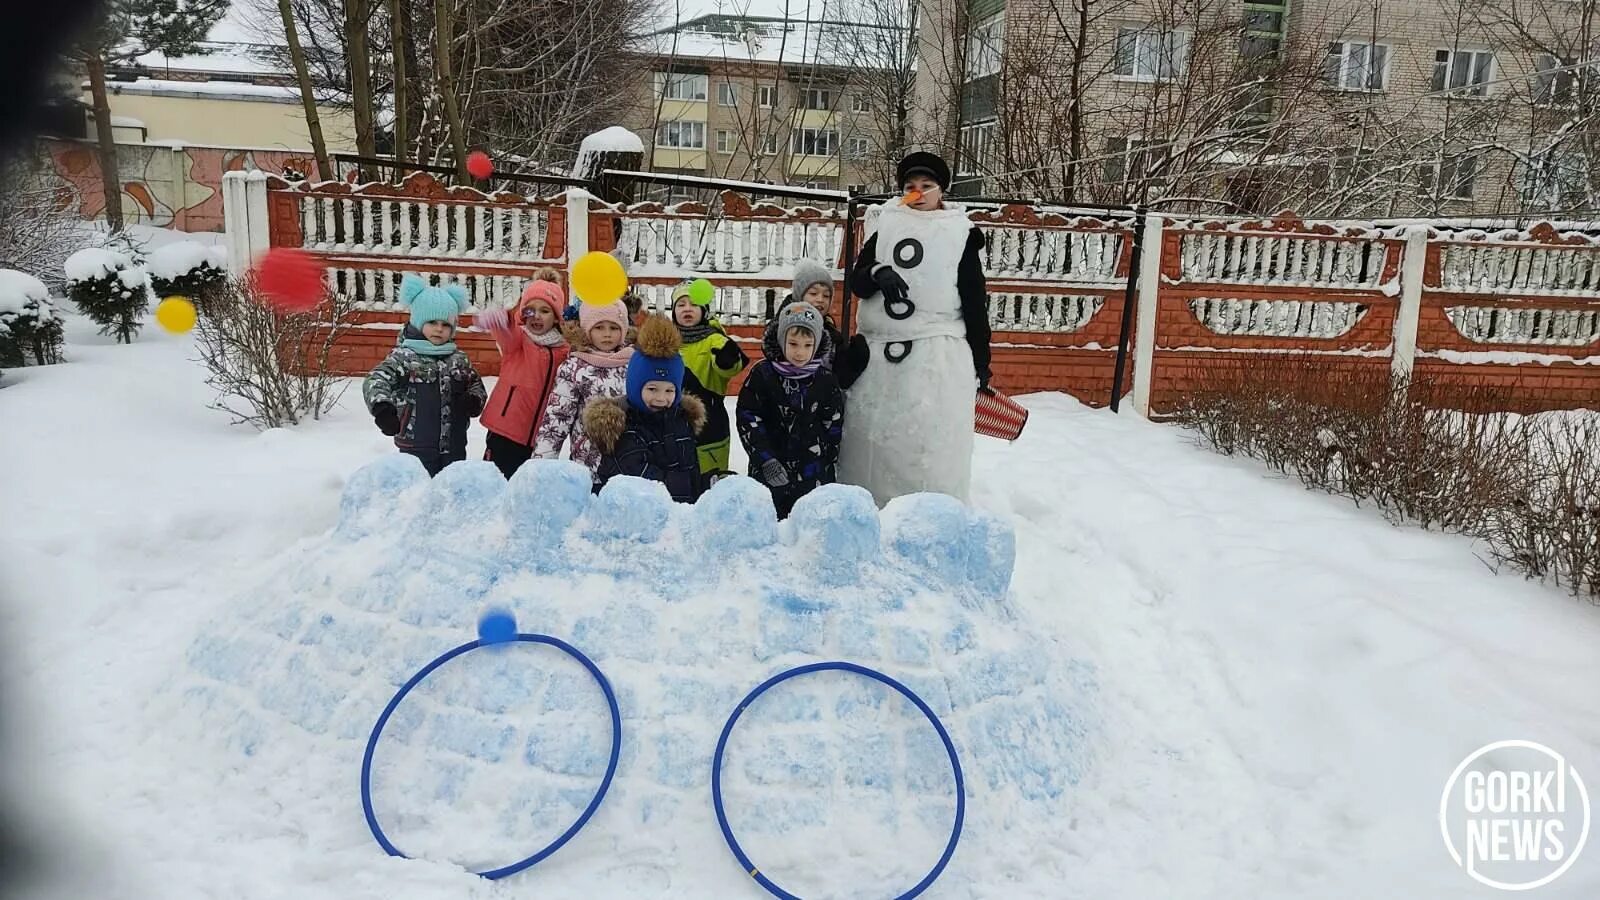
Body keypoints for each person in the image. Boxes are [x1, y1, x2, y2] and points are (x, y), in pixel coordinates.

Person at [839, 151, 992, 505]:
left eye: (927, 186)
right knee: (872, 443)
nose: (919, 193)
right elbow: (858, 283)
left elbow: (973, 301)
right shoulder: (886, 225)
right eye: (911, 187)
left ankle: (930, 517)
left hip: (933, 357)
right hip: (878, 358)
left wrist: (982, 363)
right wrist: (878, 272)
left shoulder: (959, 234)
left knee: (925, 446)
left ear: (942, 191)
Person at [363, 275, 487, 476]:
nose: (439, 328)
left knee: (450, 493)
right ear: (419, 321)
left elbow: (475, 385)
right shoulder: (405, 357)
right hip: (415, 447)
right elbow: (377, 379)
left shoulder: (458, 359)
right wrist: (382, 408)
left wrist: (473, 400)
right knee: (419, 493)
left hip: (454, 445)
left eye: (446, 324)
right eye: (432, 322)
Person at [737, 301, 845, 517]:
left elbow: (833, 422)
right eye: (793, 344)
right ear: (781, 340)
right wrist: (766, 460)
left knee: (808, 530)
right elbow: (748, 418)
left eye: (807, 345)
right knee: (771, 529)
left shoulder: (825, 380)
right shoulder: (763, 375)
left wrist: (827, 460)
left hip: (812, 476)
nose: (800, 353)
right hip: (770, 474)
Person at [584, 315, 706, 503]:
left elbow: (690, 467)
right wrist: (689, 486)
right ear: (634, 386)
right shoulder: (624, 428)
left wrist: (706, 484)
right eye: (652, 389)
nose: (661, 398)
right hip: (637, 520)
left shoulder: (681, 420)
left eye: (669, 390)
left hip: (677, 516)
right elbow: (642, 482)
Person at [476, 270, 570, 478]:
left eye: (545, 310)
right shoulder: (517, 340)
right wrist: (499, 319)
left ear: (556, 318)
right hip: (505, 431)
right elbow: (505, 328)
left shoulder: (564, 350)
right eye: (531, 310)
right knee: (496, 482)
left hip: (540, 437)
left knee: (526, 487)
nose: (536, 316)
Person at [532, 297, 634, 482]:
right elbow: (556, 419)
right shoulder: (574, 367)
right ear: (587, 330)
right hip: (587, 465)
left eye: (614, 327)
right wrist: (541, 465)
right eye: (599, 327)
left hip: (630, 466)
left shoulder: (634, 364)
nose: (607, 334)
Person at [671, 282, 746, 478]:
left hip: (710, 422)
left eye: (694, 304)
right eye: (681, 304)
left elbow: (731, 368)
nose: (687, 308)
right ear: (673, 312)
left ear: (704, 311)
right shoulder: (666, 341)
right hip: (672, 421)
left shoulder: (714, 339)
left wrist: (728, 359)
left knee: (711, 479)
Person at [760, 259, 869, 388]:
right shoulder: (781, 330)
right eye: (813, 293)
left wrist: (854, 361)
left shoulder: (831, 334)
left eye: (826, 295)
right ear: (799, 295)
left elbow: (840, 381)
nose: (820, 299)